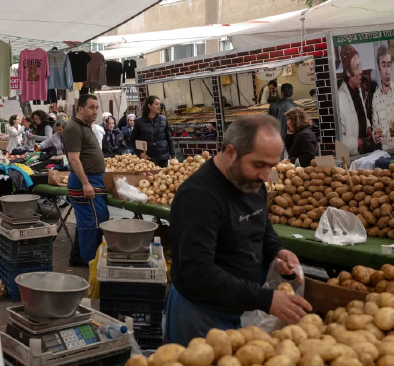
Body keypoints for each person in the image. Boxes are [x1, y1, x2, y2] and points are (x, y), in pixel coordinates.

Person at [166, 115, 311, 346]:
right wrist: (265, 299)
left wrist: (277, 250)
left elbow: (261, 225)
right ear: (231, 152)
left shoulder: (251, 182)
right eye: (259, 164)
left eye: (271, 166)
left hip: (237, 306)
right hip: (200, 313)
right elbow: (197, 271)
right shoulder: (198, 198)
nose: (265, 176)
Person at [62, 94, 109, 266]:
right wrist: (85, 183)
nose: (95, 111)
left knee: (92, 220)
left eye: (96, 107)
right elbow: (74, 159)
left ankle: (79, 257)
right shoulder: (74, 128)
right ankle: (89, 261)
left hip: (94, 180)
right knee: (92, 223)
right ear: (80, 109)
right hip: (86, 181)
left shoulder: (85, 126)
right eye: (91, 107)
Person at [338, 45, 377, 155]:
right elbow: (340, 140)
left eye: (360, 66)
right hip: (352, 159)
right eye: (356, 68)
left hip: (365, 154)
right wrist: (360, 143)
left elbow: (361, 117)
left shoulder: (358, 90)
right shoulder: (340, 99)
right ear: (349, 73)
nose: (361, 71)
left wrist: (368, 128)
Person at [130, 96, 175, 168]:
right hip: (148, 158)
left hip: (163, 157)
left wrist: (173, 155)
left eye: (159, 104)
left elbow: (169, 139)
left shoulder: (163, 120)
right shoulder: (139, 121)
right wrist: (140, 153)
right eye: (156, 104)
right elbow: (133, 139)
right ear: (149, 105)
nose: (159, 106)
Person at [373, 45, 394, 150]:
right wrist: (375, 136)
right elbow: (375, 128)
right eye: (384, 65)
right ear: (379, 68)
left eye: (389, 65)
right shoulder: (375, 98)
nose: (387, 71)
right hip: (385, 153)